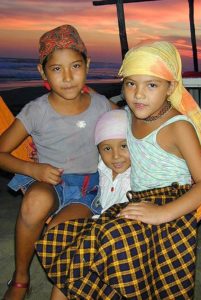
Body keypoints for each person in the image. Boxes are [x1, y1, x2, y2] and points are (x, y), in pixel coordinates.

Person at [36, 41, 201, 299]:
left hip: (169, 208)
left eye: (151, 85)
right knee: (75, 249)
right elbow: (94, 127)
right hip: (137, 201)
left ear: (171, 87)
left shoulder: (178, 127)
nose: (138, 95)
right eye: (131, 83)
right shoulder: (129, 114)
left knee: (107, 243)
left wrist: (161, 213)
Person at [0, 24, 116, 300]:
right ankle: (21, 277)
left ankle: (65, 285)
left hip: (87, 191)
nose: (67, 77)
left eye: (75, 66)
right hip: (49, 182)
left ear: (87, 64)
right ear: (43, 72)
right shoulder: (36, 111)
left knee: (58, 235)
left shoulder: (102, 105)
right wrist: (32, 169)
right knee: (33, 204)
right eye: (56, 69)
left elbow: (133, 133)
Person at [45, 109, 131, 299]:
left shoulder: (141, 171)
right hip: (95, 228)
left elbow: (173, 173)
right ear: (99, 150)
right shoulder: (100, 165)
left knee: (80, 265)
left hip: (118, 237)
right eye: (107, 148)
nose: (116, 156)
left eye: (124, 145)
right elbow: (70, 157)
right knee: (68, 267)